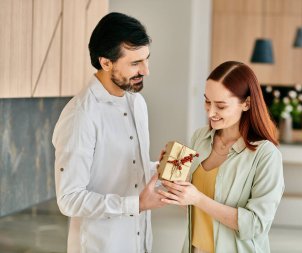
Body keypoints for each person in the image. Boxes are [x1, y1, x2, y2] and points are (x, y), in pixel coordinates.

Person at [52, 12, 166, 253]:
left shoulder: (137, 103)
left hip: (139, 242)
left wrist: (159, 168)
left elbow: (126, 170)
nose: (146, 71)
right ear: (106, 63)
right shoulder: (80, 115)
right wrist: (135, 204)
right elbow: (69, 199)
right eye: (135, 63)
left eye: (146, 59)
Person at [159, 61, 284, 253]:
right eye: (207, 101)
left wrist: (197, 198)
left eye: (221, 106)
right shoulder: (200, 137)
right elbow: (191, 208)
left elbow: (255, 225)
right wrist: (173, 178)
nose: (210, 112)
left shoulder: (266, 155)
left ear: (247, 104)